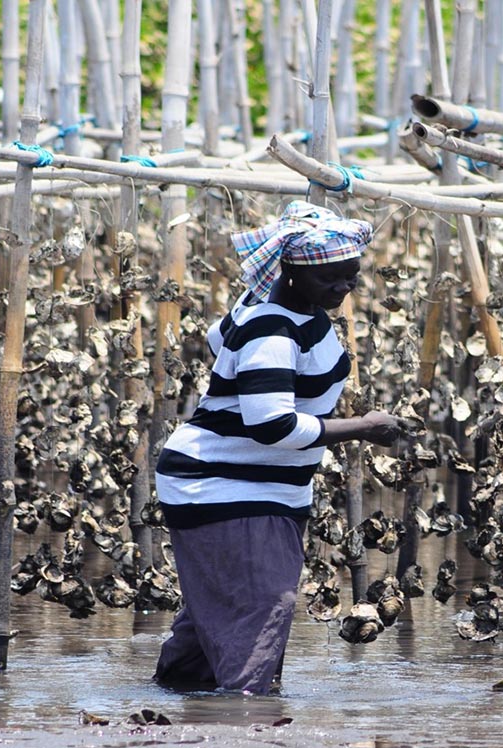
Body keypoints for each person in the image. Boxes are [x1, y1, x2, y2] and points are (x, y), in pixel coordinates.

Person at [153, 200, 407, 695]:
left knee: (225, 605)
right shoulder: (272, 325)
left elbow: (216, 338)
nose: (344, 288)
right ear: (290, 273)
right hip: (222, 485)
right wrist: (363, 427)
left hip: (254, 484)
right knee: (263, 605)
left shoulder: (278, 308)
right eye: (331, 278)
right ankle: (246, 716)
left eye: (350, 277)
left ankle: (182, 704)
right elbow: (271, 426)